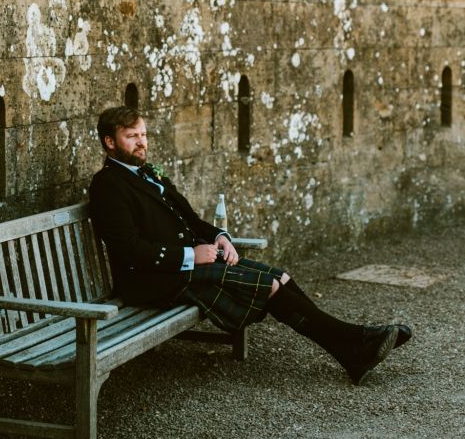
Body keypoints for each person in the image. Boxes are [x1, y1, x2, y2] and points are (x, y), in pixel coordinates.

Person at [89, 106, 411, 385]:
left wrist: (219, 237)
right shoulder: (108, 186)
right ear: (110, 142)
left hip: (184, 268)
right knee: (269, 287)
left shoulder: (149, 174)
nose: (142, 142)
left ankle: (352, 349)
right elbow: (129, 250)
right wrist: (190, 255)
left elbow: (191, 219)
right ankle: (355, 345)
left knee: (280, 278)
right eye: (132, 136)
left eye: (143, 134)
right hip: (154, 280)